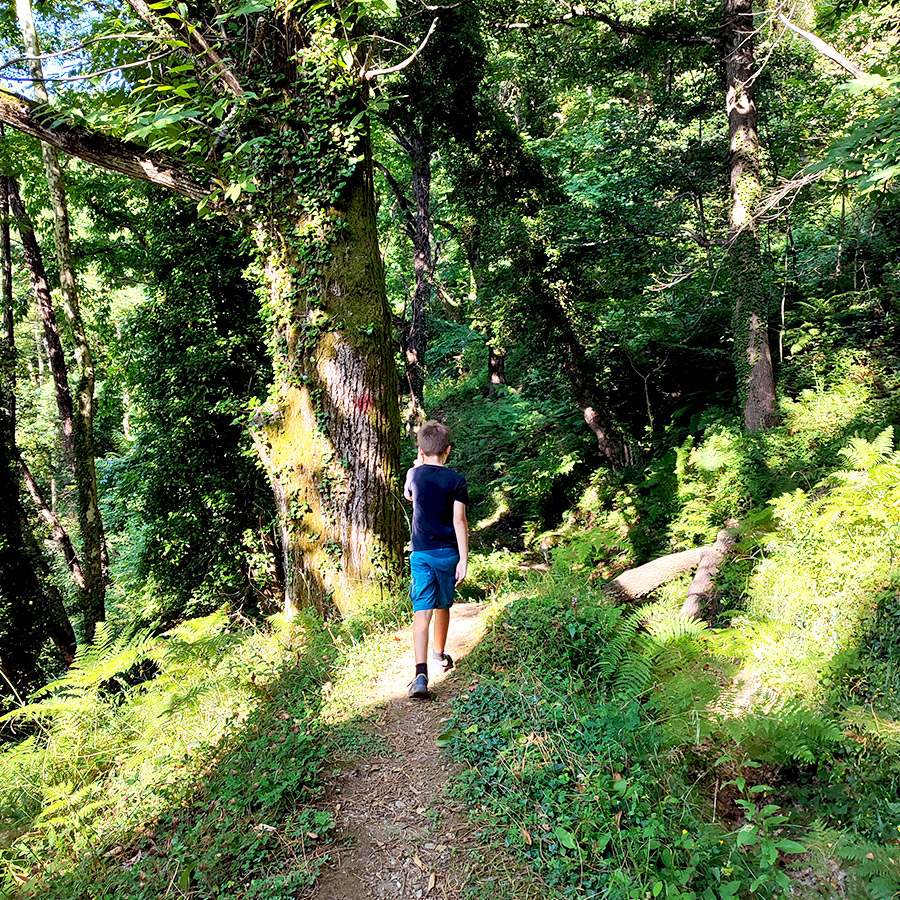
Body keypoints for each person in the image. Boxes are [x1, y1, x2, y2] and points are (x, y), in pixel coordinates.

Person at [403, 420, 469, 700]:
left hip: (421, 553)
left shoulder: (415, 476)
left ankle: (420, 674)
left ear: (421, 450)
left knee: (422, 611)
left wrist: (416, 466)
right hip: (447, 555)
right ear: (448, 450)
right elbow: (459, 520)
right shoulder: (457, 480)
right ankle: (439, 654)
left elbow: (409, 496)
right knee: (443, 606)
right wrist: (464, 559)